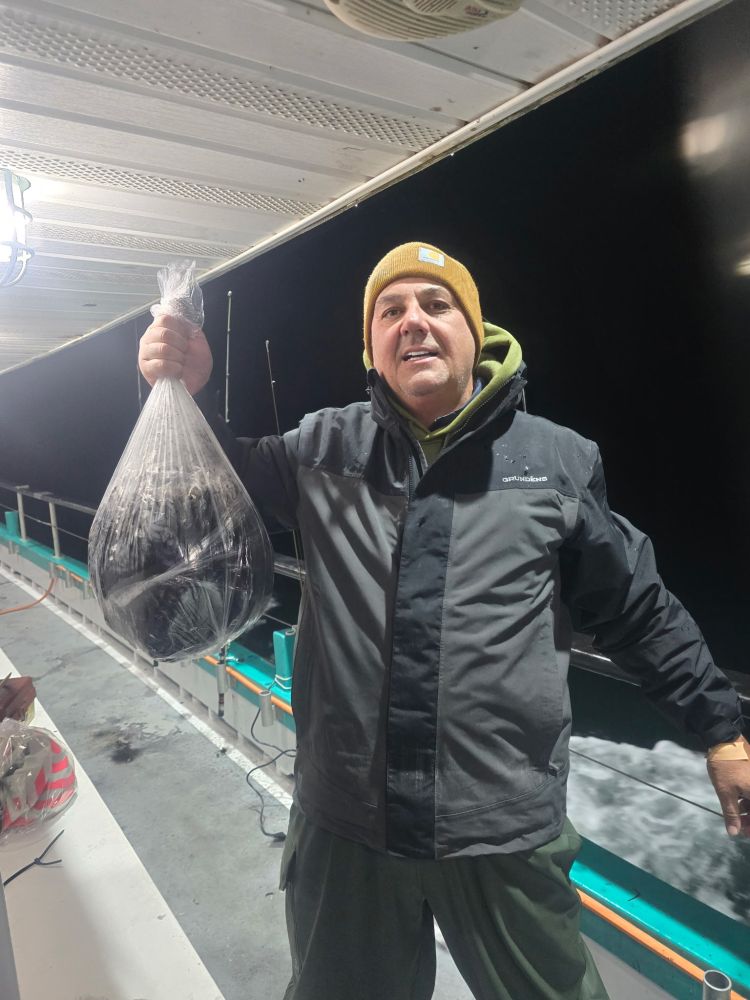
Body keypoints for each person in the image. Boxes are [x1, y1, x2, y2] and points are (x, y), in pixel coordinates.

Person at [139, 242, 749, 1000]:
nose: (414, 323)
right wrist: (183, 395)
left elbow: (635, 607)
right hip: (346, 824)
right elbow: (205, 486)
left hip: (501, 828)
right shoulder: (323, 447)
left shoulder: (554, 462)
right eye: (391, 311)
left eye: (436, 304)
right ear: (372, 347)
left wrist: (719, 728)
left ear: (476, 329)